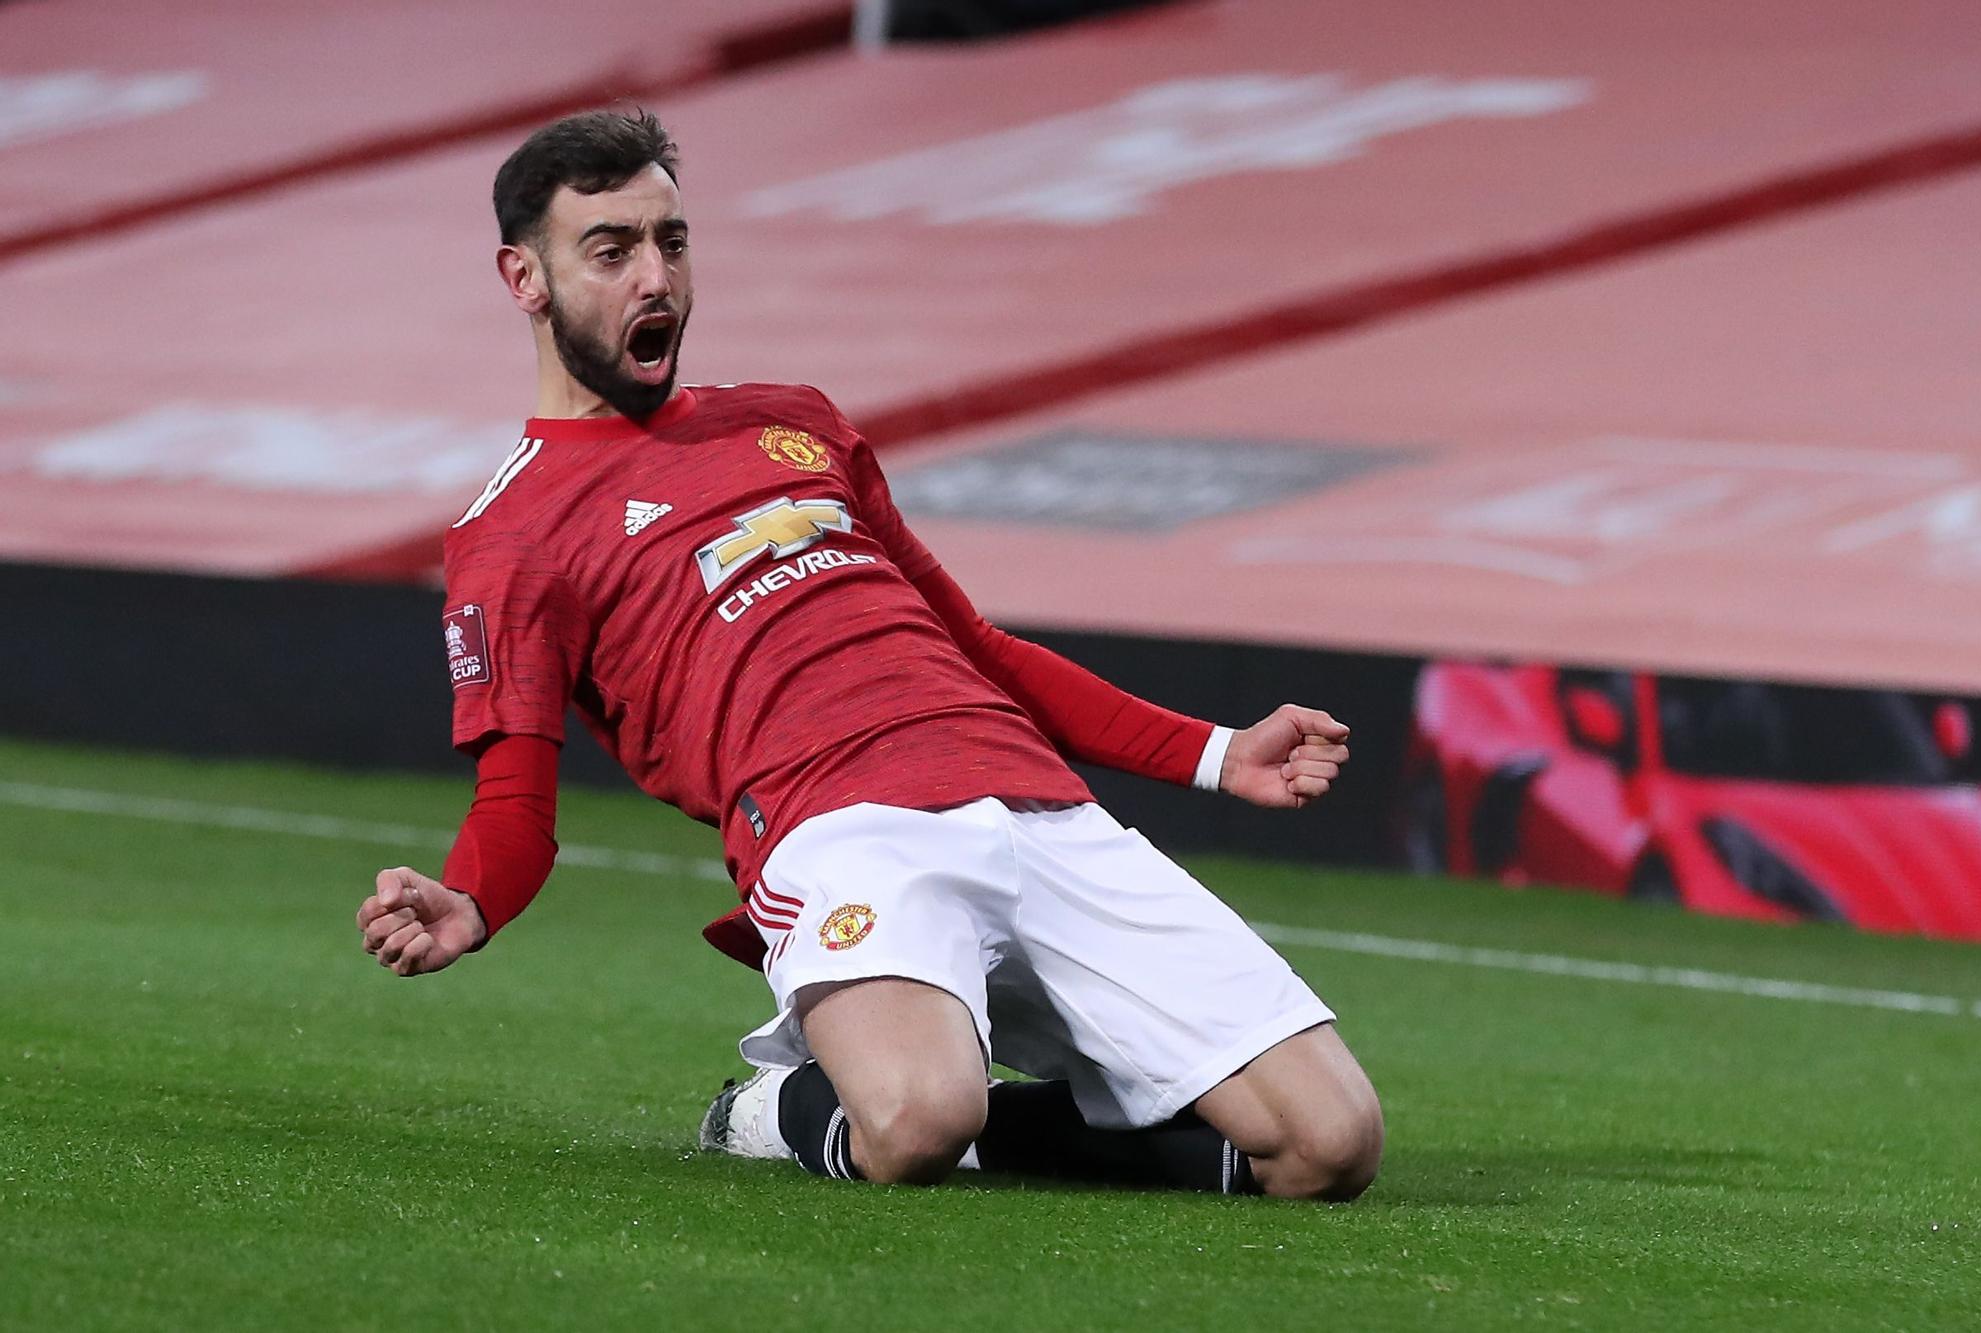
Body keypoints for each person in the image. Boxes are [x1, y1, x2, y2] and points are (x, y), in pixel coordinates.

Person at [354, 108, 1382, 1200]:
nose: (654, 276)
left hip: (1036, 808)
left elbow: (973, 645)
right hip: (836, 828)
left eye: (671, 240)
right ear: (526, 278)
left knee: (1328, 1143)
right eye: (610, 251)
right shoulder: (509, 535)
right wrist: (470, 901)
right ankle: (773, 1107)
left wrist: (1219, 754)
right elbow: (517, 799)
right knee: (913, 1123)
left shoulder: (794, 422)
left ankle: (1016, 1123)